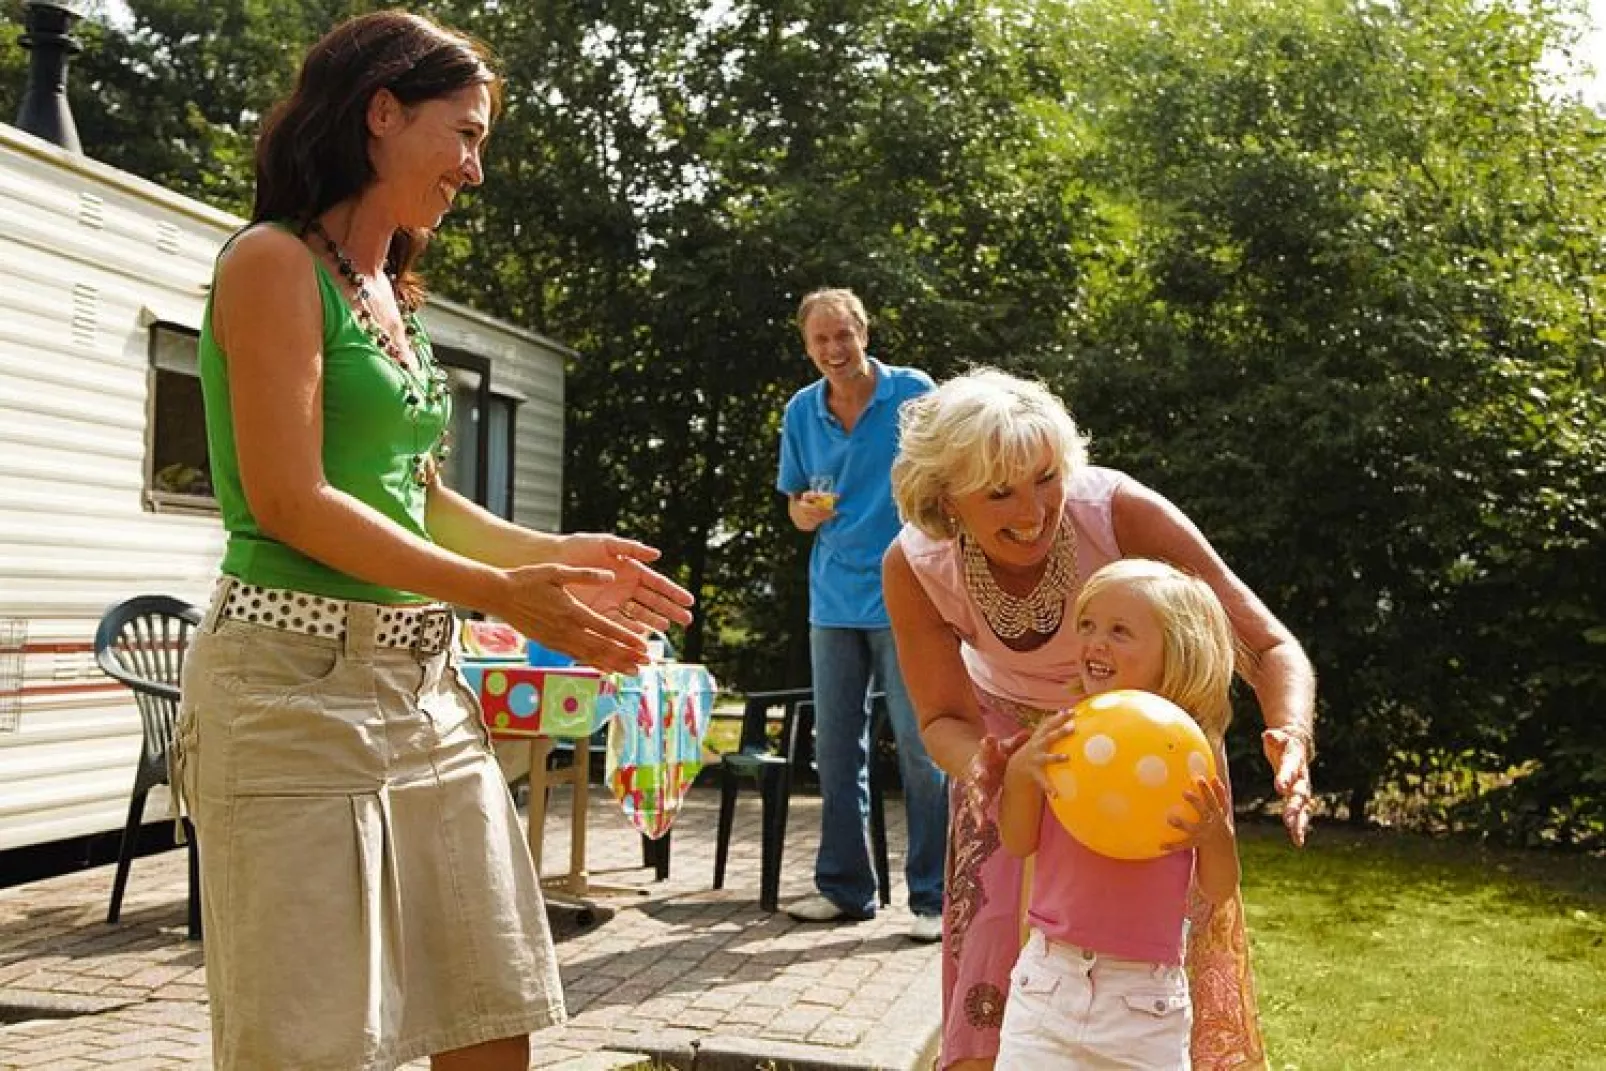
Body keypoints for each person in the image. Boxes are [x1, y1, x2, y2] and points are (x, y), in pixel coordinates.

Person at [170, 13, 695, 1071]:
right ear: (379, 113)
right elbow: (293, 500)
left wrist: (558, 551)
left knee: (488, 1014)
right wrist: (500, 592)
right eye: (463, 134)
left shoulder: (389, 296)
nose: (475, 169)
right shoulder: (272, 262)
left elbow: (417, 497)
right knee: (311, 1047)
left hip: (423, 690)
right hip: (289, 691)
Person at [883, 368, 1316, 1070]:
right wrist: (984, 763)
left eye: (1046, 477)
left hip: (1151, 746)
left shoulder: (1118, 511)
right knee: (993, 939)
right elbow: (940, 716)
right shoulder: (915, 564)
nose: (1034, 508)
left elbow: (1266, 646)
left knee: (1175, 936)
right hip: (1017, 745)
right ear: (945, 499)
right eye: (1000, 491)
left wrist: (1291, 736)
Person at [995, 559, 1242, 1069]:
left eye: (1120, 631)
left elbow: (1218, 889)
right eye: (1088, 626)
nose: (1095, 643)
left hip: (1143, 1000)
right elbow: (1018, 843)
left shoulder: (1191, 754)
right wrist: (1020, 774)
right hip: (1049, 980)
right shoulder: (1063, 734)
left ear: (1177, 652)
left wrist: (1214, 834)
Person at [776, 287, 949, 941]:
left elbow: (946, 478)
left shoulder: (913, 393)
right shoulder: (802, 411)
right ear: (808, 347)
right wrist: (807, 511)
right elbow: (796, 506)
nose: (833, 350)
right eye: (820, 340)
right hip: (833, 599)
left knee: (921, 744)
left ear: (864, 332)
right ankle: (846, 889)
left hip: (908, 596)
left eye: (842, 335)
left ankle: (932, 898)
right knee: (835, 749)